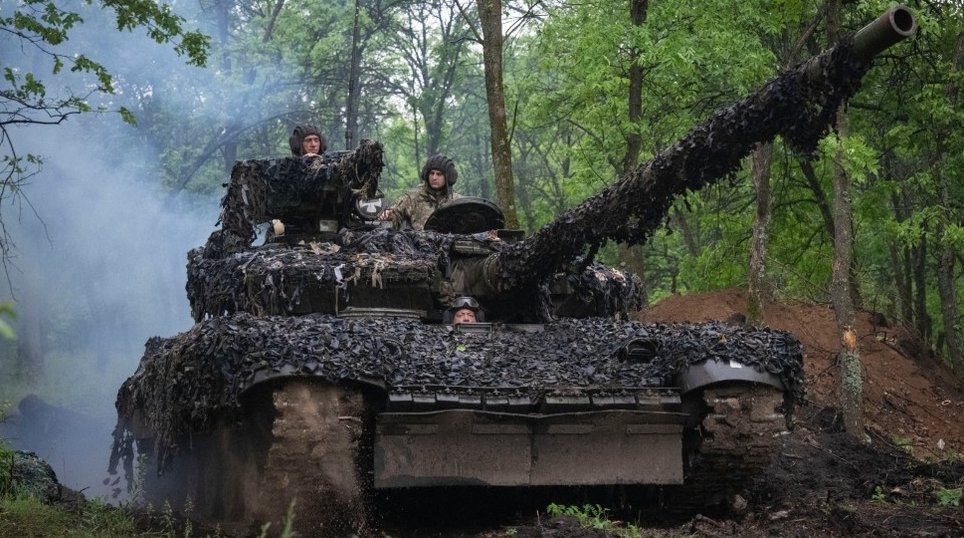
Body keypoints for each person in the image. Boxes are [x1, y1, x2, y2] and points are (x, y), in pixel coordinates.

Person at [380, 154, 462, 230]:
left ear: (448, 177)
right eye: (432, 173)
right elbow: (395, 215)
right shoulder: (413, 197)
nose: (434, 177)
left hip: (448, 243)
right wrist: (389, 217)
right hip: (417, 243)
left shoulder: (457, 202)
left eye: (439, 174)